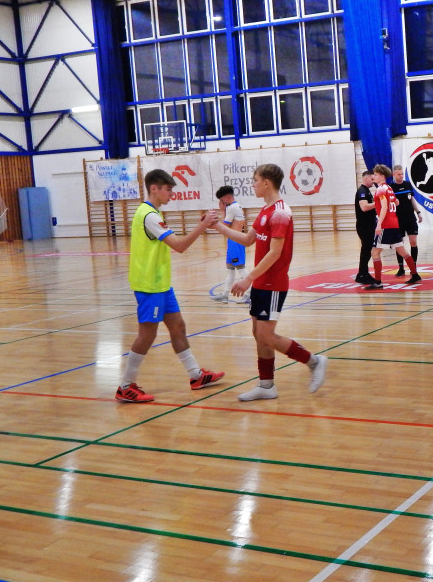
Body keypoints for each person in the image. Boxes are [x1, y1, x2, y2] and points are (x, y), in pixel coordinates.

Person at [211, 163, 329, 400]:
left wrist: (248, 280)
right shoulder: (265, 211)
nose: (252, 184)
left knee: (266, 335)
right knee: (258, 333)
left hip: (273, 283)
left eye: (255, 180)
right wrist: (217, 226)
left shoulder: (281, 212)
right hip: (260, 283)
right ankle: (266, 385)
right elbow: (247, 240)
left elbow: (275, 252)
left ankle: (314, 361)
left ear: (266, 183)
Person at [116, 169, 224, 403]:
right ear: (154, 188)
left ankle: (195, 375)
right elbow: (180, 246)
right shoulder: (149, 216)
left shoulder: (154, 213)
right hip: (149, 286)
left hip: (161, 285)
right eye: (168, 189)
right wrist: (203, 225)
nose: (171, 194)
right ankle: (125, 385)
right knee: (147, 334)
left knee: (178, 326)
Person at [365, 164, 421, 289]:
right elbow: (397, 202)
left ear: (381, 176)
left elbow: (385, 206)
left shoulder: (380, 189)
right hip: (395, 224)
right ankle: (415, 274)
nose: (373, 176)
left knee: (374, 252)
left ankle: (378, 282)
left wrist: (379, 223)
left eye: (375, 174)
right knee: (403, 251)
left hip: (386, 225)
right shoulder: (389, 188)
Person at [212, 185, 249, 304]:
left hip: (235, 241)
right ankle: (225, 295)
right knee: (230, 269)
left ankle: (250, 294)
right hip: (232, 240)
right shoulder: (234, 206)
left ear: (228, 197)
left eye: (221, 200)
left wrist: (222, 211)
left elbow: (224, 226)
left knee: (240, 268)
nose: (221, 203)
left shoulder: (232, 208)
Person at [390, 164, 423, 277]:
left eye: (402, 174)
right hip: (398, 219)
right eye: (399, 174)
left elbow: (412, 199)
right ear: (393, 174)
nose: (401, 176)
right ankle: (401, 268)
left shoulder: (408, 185)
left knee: (413, 242)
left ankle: (413, 267)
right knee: (399, 244)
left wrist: (418, 212)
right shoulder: (391, 188)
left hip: (410, 218)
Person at [354, 170, 376, 284]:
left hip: (369, 225)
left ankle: (364, 273)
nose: (373, 181)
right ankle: (361, 274)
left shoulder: (367, 191)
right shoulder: (362, 191)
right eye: (372, 179)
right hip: (364, 226)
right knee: (366, 250)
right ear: (366, 178)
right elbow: (364, 207)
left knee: (367, 250)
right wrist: (378, 203)